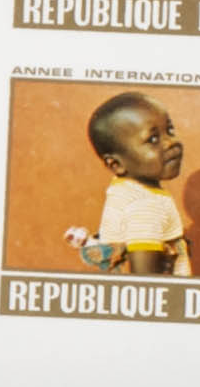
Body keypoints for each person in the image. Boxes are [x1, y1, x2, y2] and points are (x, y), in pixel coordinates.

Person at [80, 92, 192, 275]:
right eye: (153, 139)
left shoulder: (125, 188)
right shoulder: (146, 205)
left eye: (170, 130)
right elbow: (143, 278)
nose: (171, 143)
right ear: (116, 165)